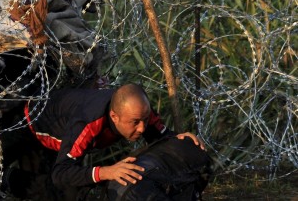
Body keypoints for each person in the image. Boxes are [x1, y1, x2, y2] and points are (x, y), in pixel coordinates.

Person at [20, 83, 206, 199]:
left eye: (145, 119)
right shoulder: (88, 123)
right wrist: (107, 172)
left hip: (67, 112)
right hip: (34, 126)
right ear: (114, 117)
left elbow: (163, 137)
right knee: (64, 192)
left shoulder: (138, 111)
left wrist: (180, 138)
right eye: (135, 122)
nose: (142, 128)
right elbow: (61, 173)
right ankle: (11, 180)